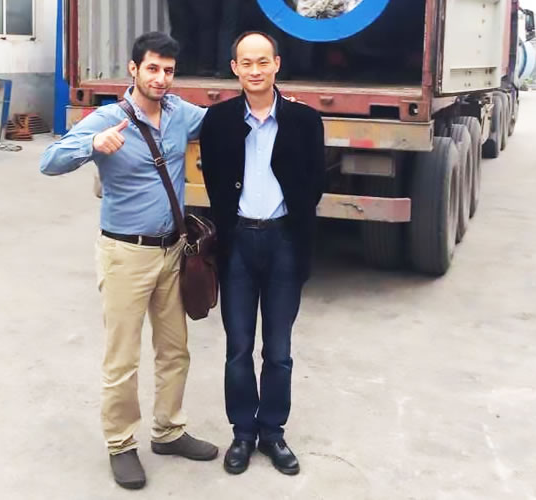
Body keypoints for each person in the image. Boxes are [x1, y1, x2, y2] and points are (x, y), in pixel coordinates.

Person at [39, 32, 218, 490]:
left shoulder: (180, 114)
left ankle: (169, 430)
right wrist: (92, 145)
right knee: (123, 358)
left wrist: (273, 102)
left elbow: (223, 123)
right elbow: (49, 160)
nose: (161, 78)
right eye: (152, 68)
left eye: (168, 70)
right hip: (125, 255)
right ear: (134, 70)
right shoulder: (107, 118)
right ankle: (120, 444)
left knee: (175, 349)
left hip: (172, 251)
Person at [198, 31, 326, 476]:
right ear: (235, 68)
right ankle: (242, 433)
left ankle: (272, 431)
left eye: (262, 62)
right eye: (246, 63)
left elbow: (315, 184)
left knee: (279, 349)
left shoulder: (305, 121)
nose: (255, 70)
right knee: (238, 347)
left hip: (284, 242)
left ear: (276, 65)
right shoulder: (218, 121)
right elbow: (215, 182)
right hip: (237, 243)